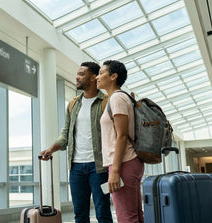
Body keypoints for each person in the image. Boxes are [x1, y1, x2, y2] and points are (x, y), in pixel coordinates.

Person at [40, 62, 113, 223]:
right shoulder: (73, 104)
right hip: (76, 168)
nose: (77, 77)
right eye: (77, 74)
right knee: (80, 214)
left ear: (94, 77)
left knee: (103, 212)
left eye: (81, 74)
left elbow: (114, 134)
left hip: (99, 167)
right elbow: (65, 134)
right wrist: (50, 149)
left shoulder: (106, 102)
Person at [96, 60, 144, 223]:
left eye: (101, 72)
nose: (97, 77)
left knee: (126, 218)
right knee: (135, 216)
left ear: (113, 76)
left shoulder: (117, 98)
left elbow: (122, 136)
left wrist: (115, 171)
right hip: (129, 162)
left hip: (123, 163)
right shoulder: (121, 98)